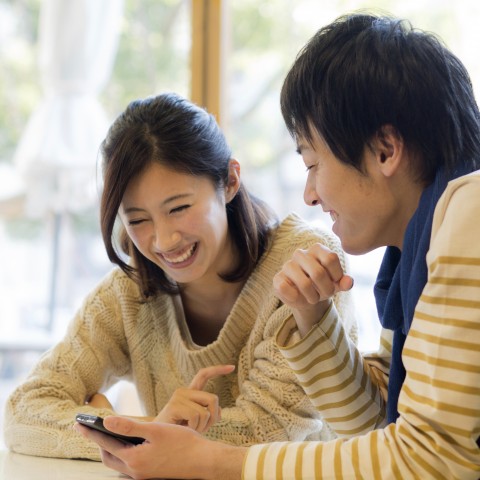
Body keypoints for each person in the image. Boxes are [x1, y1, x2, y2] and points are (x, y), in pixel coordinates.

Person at [74, 12, 480, 480]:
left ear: (385, 150)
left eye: (312, 162)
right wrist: (314, 322)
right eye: (138, 220)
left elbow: (432, 459)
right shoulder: (414, 249)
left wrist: (208, 459)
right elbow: (378, 428)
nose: (310, 194)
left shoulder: (467, 215)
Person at [3, 92, 362, 461]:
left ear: (230, 182)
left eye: (178, 208)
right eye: (138, 220)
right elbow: (24, 409)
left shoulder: (303, 266)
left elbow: (269, 429)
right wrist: (142, 429)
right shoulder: (130, 292)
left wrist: (144, 434)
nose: (164, 240)